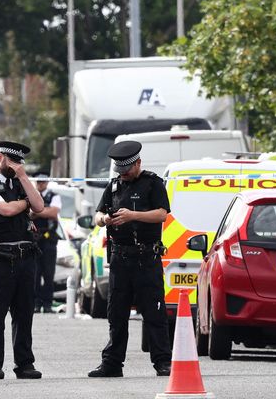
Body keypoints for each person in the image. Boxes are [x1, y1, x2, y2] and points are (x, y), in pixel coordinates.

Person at [88, 140, 172, 378]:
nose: (123, 175)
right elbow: (98, 213)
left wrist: (133, 215)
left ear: (138, 163)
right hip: (120, 258)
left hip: (146, 257)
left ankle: (162, 362)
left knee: (154, 312)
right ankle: (112, 363)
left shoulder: (153, 183)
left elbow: (162, 214)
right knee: (116, 313)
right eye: (120, 171)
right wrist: (105, 220)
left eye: (127, 170)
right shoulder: (114, 187)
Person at [0, 141, 45, 380]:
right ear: (0, 158)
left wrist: (24, 177)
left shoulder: (20, 183)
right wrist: (23, 204)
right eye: (12, 161)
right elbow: (5, 210)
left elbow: (39, 206)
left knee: (24, 314)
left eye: (19, 162)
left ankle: (24, 364)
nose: (15, 166)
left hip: (25, 258)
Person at [30, 172, 62, 313]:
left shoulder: (53, 196)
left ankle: (47, 304)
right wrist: (42, 211)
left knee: (49, 274)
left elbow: (53, 213)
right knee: (34, 274)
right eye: (38, 182)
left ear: (47, 183)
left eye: (43, 182)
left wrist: (37, 212)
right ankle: (36, 304)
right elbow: (28, 213)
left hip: (49, 240)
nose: (40, 184)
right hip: (34, 239)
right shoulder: (32, 195)